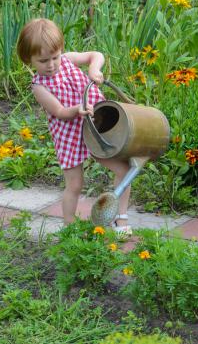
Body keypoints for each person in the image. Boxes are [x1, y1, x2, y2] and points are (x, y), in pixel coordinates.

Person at [16, 18, 131, 233]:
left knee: (123, 169)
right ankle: (68, 225)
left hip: (96, 126)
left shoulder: (68, 60)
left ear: (61, 51)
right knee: (75, 184)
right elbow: (59, 111)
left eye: (55, 57)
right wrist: (77, 109)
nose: (51, 65)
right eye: (43, 61)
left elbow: (95, 55)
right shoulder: (39, 86)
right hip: (69, 134)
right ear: (28, 59)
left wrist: (94, 69)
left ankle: (121, 217)